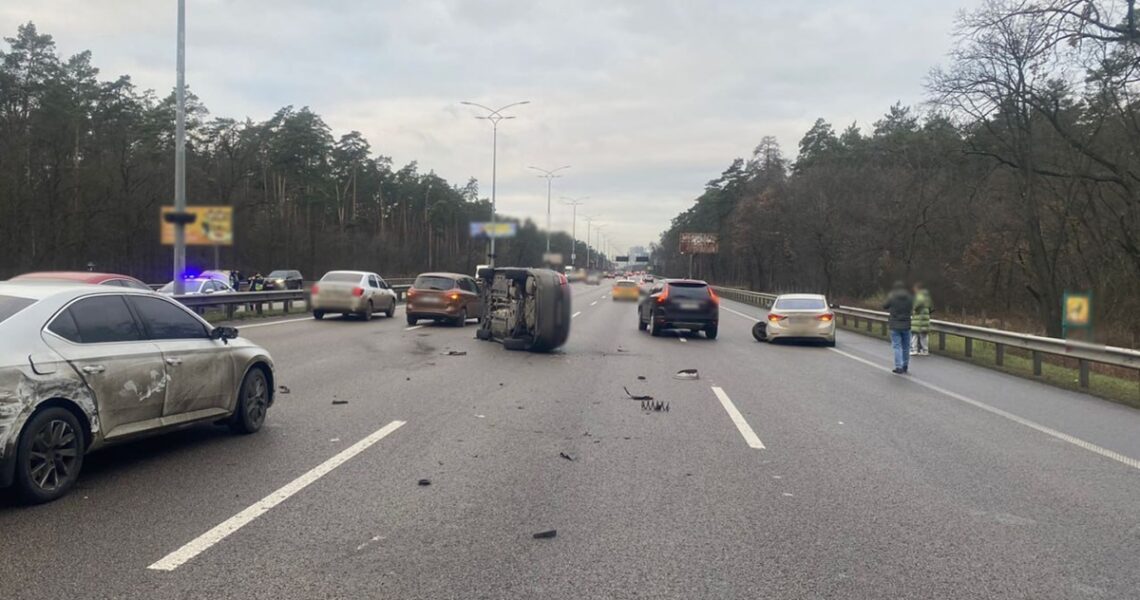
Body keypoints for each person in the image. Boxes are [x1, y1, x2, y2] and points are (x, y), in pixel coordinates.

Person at [882, 280, 914, 374]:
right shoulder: (909, 297)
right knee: (906, 347)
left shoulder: (892, 296)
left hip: (895, 325)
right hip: (906, 325)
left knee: (897, 346)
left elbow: (884, 306)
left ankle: (898, 366)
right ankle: (905, 365)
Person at [911, 283, 932, 356]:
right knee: (924, 335)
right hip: (925, 318)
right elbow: (931, 308)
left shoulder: (919, 297)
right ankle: (925, 350)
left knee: (915, 335)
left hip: (919, 319)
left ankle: (914, 350)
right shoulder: (927, 297)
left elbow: (915, 306)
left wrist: (913, 310)